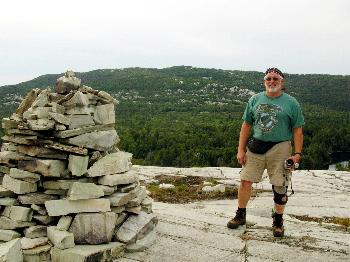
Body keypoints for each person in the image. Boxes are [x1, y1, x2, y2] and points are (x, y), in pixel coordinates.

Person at [227, 67, 304, 237]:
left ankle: (278, 220)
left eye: (275, 79)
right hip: (256, 145)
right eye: (268, 79)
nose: (271, 82)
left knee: (279, 185)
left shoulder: (291, 103)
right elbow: (246, 125)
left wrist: (297, 154)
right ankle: (240, 215)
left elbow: (297, 130)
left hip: (281, 146)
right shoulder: (255, 99)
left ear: (282, 82)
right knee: (245, 181)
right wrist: (240, 149)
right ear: (264, 81)